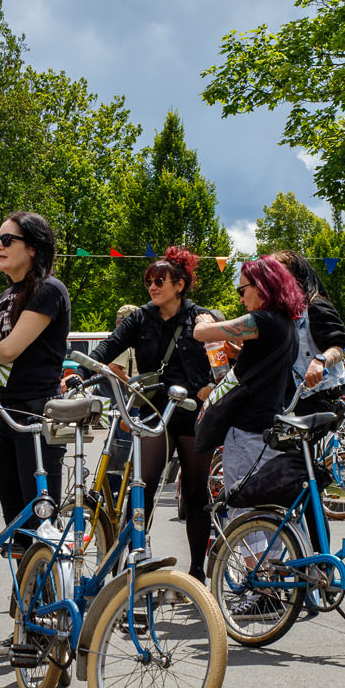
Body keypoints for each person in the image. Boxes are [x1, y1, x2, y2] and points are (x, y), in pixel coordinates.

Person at [0, 212, 70, 656]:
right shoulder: (6, 296)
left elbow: (7, 351)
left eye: (8, 238)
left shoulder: (48, 291)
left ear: (34, 247)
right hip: (4, 414)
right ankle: (28, 622)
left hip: (36, 415)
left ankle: (50, 624)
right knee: (17, 527)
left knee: (43, 524)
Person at [89, 247, 216, 580]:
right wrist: (84, 371)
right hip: (152, 411)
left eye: (159, 281)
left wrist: (211, 387)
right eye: (149, 281)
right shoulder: (140, 318)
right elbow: (108, 347)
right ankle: (137, 564)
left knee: (195, 490)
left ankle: (198, 572)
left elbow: (225, 361)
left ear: (180, 284)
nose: (152, 287)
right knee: (141, 486)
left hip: (191, 413)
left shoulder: (201, 318)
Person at [192, 255, 305, 501]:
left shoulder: (261, 320)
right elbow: (271, 370)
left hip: (247, 431)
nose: (241, 298)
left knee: (245, 514)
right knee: (270, 512)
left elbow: (201, 333)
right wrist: (239, 353)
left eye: (242, 289)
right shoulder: (286, 325)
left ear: (262, 286)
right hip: (269, 428)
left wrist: (204, 319)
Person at [270, 250, 345, 417]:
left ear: (297, 277)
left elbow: (337, 348)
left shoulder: (316, 306)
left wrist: (320, 361)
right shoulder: (282, 315)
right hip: (291, 396)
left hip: (321, 393)